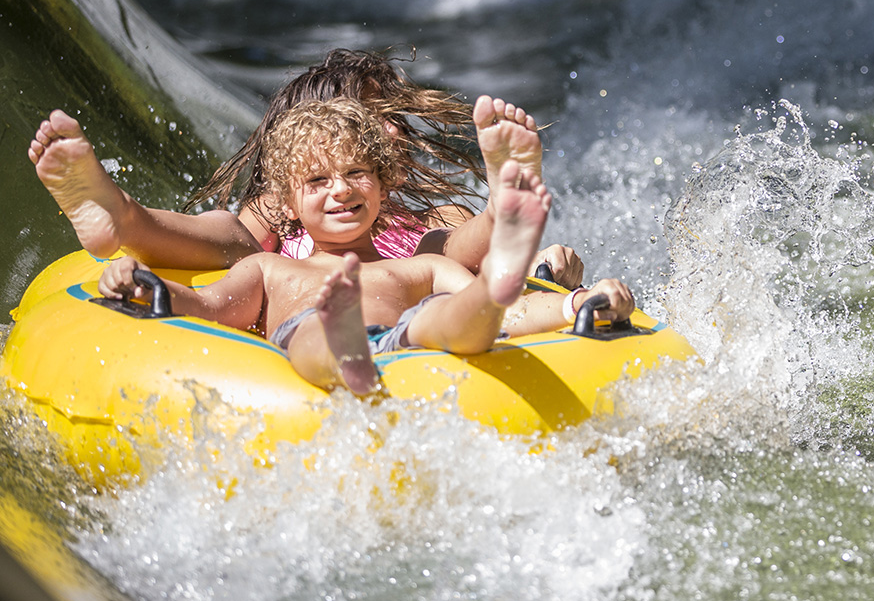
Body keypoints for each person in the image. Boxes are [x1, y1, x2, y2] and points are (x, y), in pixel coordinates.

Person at [97, 98, 634, 394]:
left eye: (356, 173)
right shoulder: (270, 268)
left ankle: (502, 258)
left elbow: (510, 313)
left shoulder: (418, 267)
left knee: (449, 312)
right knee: (313, 331)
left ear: (382, 183)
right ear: (286, 203)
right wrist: (144, 284)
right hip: (318, 334)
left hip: (405, 339)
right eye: (318, 181)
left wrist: (574, 304)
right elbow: (209, 306)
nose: (341, 189)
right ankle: (341, 344)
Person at [29, 48, 584, 288]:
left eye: (390, 118)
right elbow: (233, 242)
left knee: (449, 242)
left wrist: (546, 269)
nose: (392, 130)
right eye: (370, 119)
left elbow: (467, 263)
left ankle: (503, 208)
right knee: (239, 236)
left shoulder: (436, 216)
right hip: (312, 305)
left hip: (414, 308)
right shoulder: (288, 211)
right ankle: (117, 214)